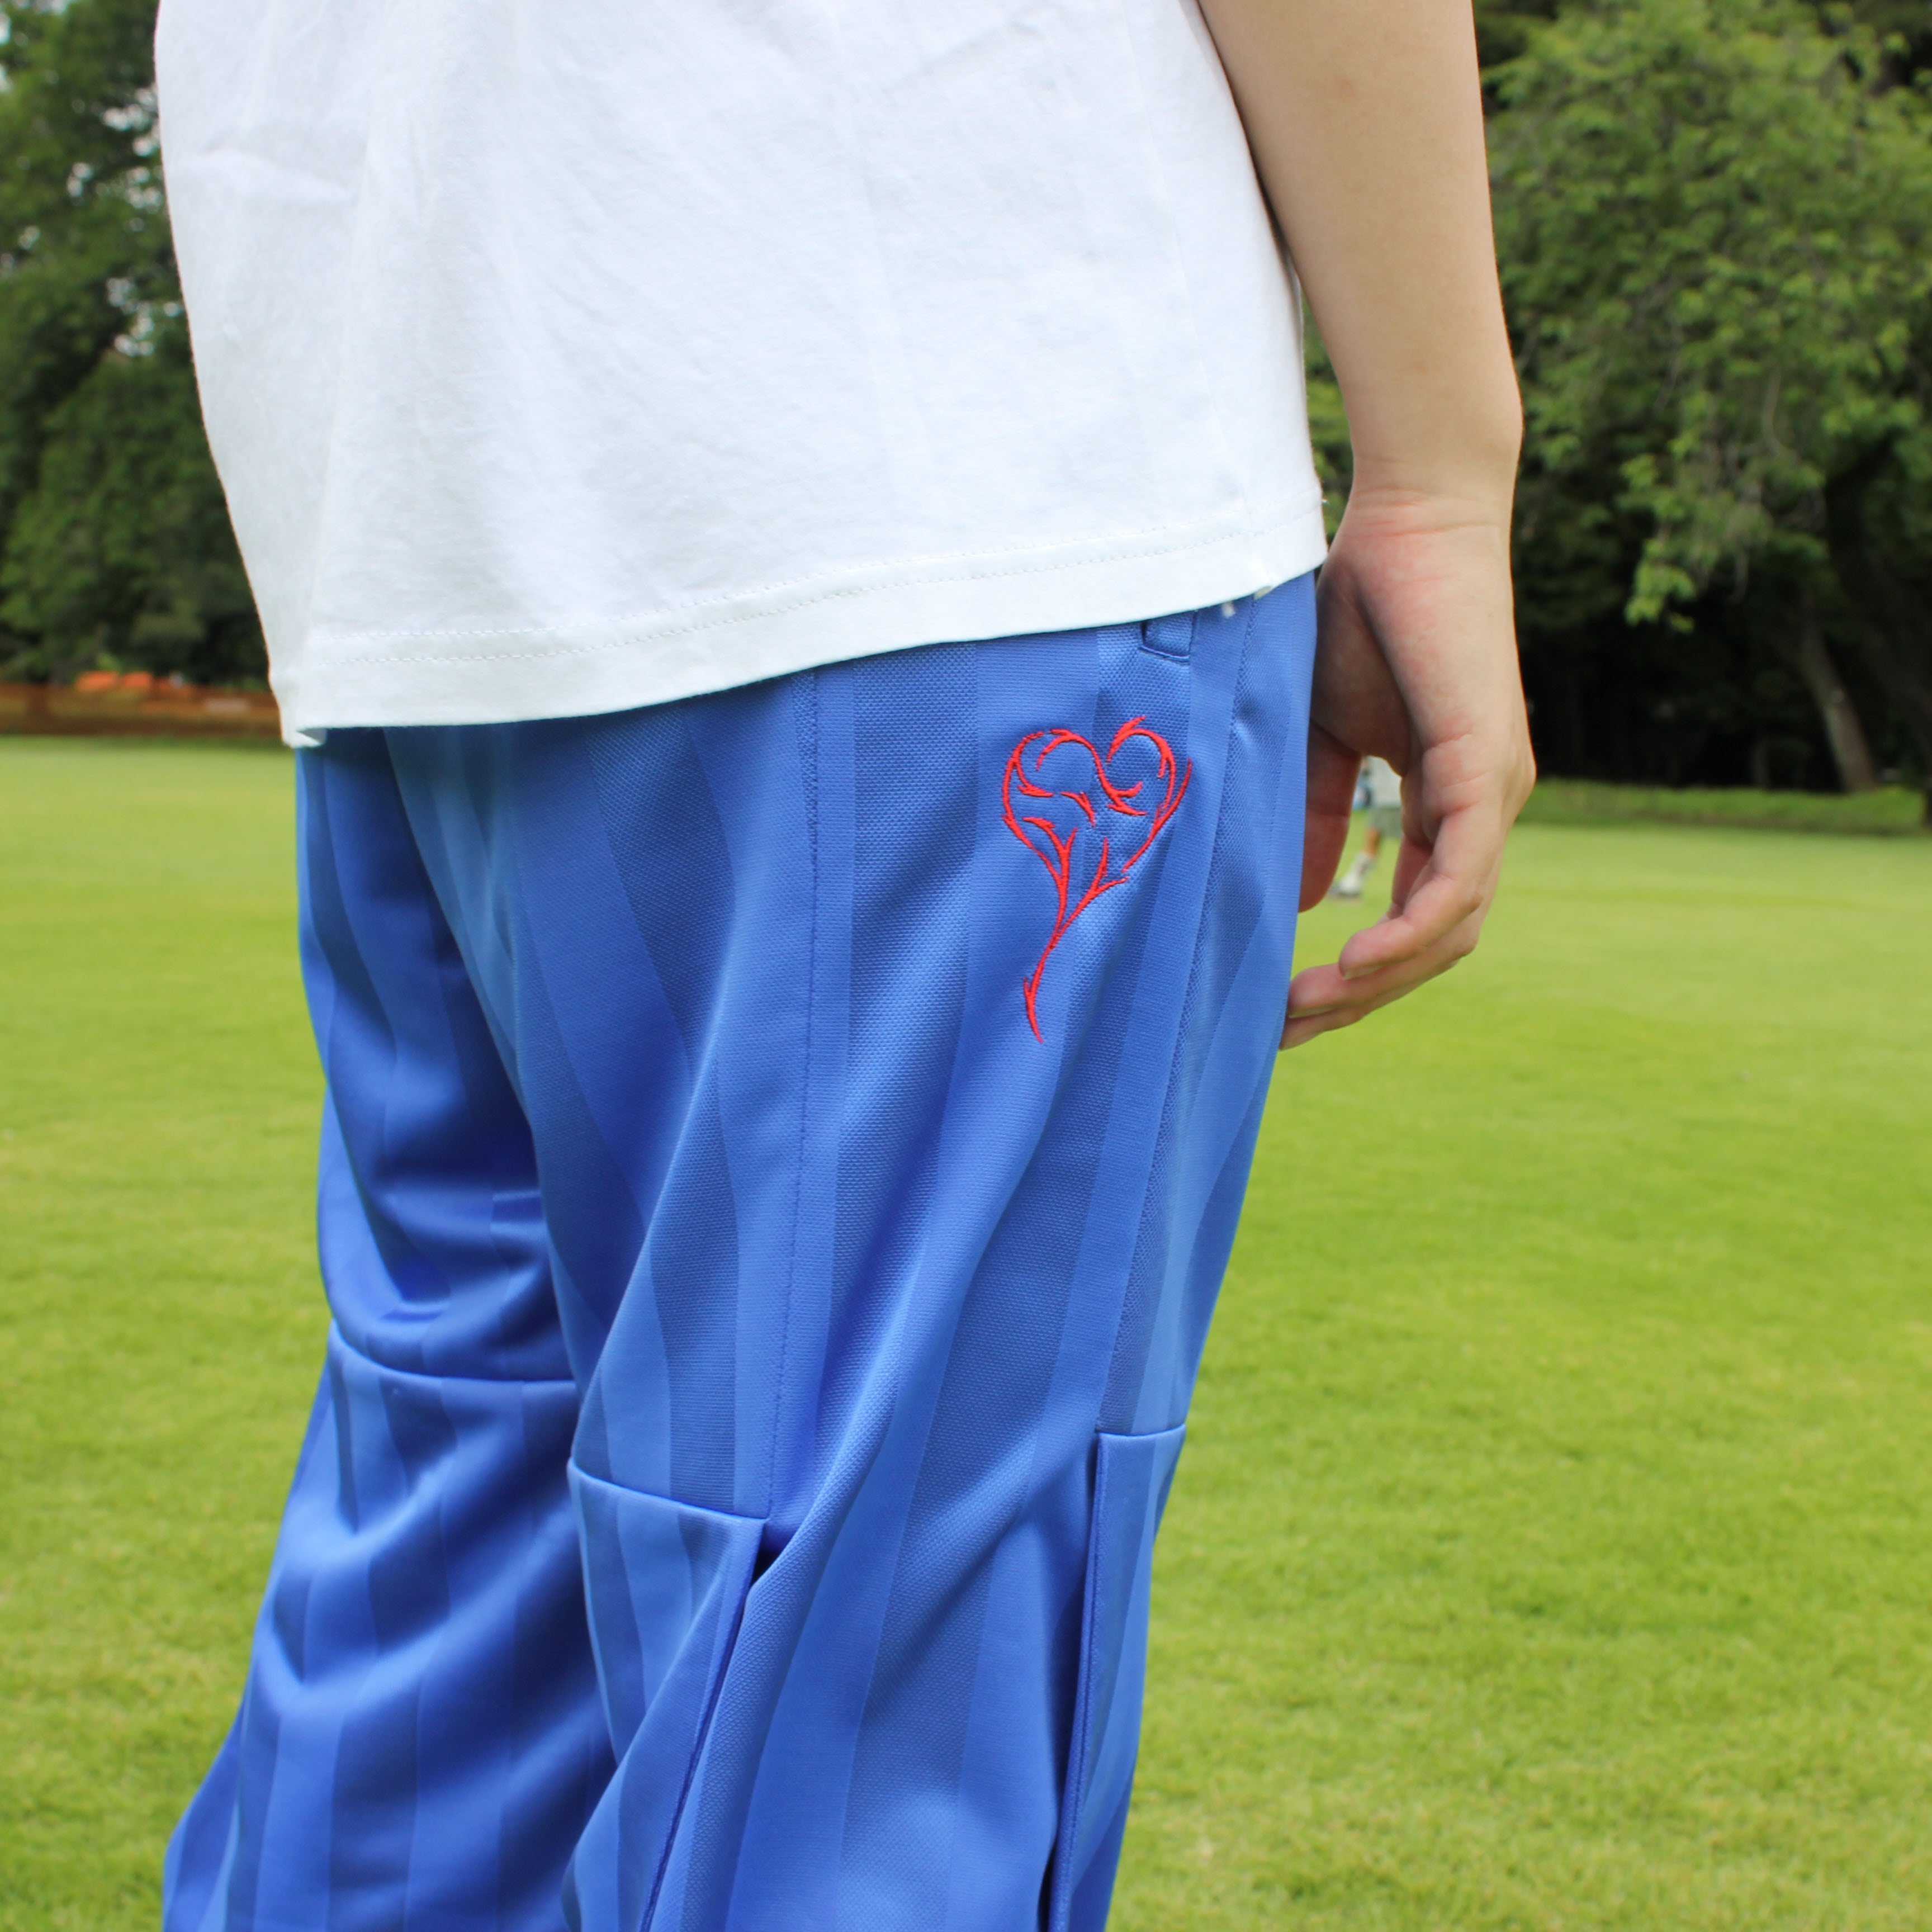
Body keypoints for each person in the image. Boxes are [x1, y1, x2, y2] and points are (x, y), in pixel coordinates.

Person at [153, 0, 1532, 1926]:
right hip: (944, 463)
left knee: (436, 1689)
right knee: (859, 1751)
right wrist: (1442, 472)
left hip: (413, 513)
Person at [1330, 753, 1405, 899]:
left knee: (1407, 844)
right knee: (1373, 838)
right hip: (1386, 796)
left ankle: (1426, 887)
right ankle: (1351, 885)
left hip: (1392, 798)